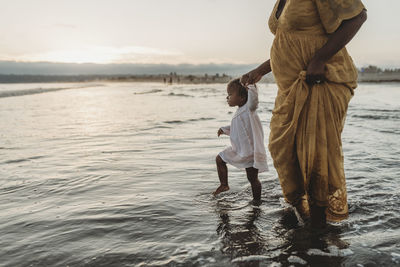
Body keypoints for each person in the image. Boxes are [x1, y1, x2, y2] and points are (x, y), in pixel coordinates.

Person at [240, 0, 367, 227]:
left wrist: (319, 59)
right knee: (282, 149)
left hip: (321, 80)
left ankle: (318, 231)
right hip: (290, 88)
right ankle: (305, 216)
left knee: (316, 156)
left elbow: (358, 16)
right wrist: (260, 70)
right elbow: (289, 40)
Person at [214, 79, 268, 202]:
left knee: (252, 179)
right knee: (219, 159)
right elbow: (238, 128)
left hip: (249, 152)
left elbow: (254, 99)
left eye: (230, 95)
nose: (227, 98)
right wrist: (224, 129)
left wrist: (250, 85)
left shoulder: (249, 109)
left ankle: (257, 201)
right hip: (238, 150)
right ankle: (224, 184)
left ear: (242, 97)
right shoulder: (239, 112)